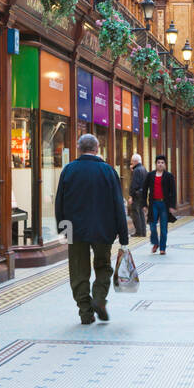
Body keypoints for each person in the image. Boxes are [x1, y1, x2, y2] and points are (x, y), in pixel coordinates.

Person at [54, 133, 130, 325]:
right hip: (103, 229)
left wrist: (63, 232)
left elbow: (59, 203)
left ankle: (85, 312)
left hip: (75, 230)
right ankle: (98, 298)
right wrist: (123, 235)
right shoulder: (108, 171)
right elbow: (118, 206)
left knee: (79, 271)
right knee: (103, 266)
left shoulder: (69, 170)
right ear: (97, 149)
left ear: (79, 148)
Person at [143, 154, 176, 255]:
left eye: (162, 163)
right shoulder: (150, 175)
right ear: (155, 164)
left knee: (163, 227)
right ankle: (155, 242)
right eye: (158, 163)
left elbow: (173, 192)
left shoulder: (169, 176)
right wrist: (144, 204)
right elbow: (144, 190)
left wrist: (172, 206)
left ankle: (162, 248)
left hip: (164, 205)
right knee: (152, 226)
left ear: (165, 164)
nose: (160, 164)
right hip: (154, 204)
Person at [127, 154, 148, 238]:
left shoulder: (136, 171)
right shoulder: (143, 169)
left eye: (132, 161)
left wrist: (131, 196)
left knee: (135, 212)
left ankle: (138, 232)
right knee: (141, 212)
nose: (131, 163)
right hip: (143, 193)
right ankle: (143, 231)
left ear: (135, 161)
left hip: (136, 194)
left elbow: (134, 184)